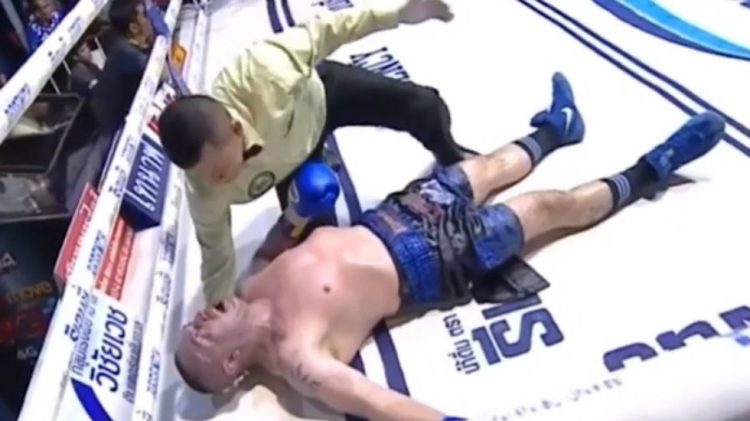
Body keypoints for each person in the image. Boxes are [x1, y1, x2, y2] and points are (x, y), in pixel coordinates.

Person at [173, 72, 727, 421]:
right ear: (231, 363)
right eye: (199, 338)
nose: (197, 321)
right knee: (546, 207)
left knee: (484, 167)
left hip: (390, 218)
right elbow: (376, 403)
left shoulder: (247, 286)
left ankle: (557, 128)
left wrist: (298, 212)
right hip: (433, 259)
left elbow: (275, 244)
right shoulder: (299, 358)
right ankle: (651, 169)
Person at [157, 0, 476, 306]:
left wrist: (398, 14)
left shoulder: (262, 74)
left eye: (220, 172)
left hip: (321, 99)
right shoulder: (203, 188)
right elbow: (216, 254)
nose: (219, 183)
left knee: (424, 106)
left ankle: (451, 156)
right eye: (207, 178)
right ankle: (314, 171)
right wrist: (219, 306)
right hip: (292, 167)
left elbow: (327, 29)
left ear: (236, 129)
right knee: (318, 241)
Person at [90, 0, 154, 134]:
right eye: (145, 15)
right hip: (114, 130)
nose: (151, 18)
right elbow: (163, 73)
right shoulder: (126, 52)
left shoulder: (123, 42)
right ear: (134, 28)